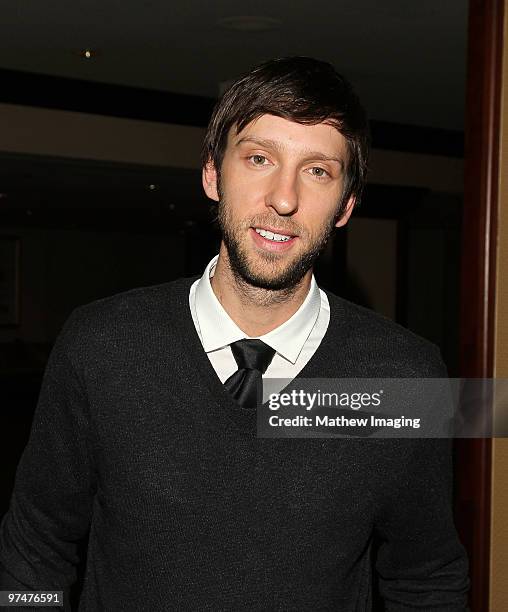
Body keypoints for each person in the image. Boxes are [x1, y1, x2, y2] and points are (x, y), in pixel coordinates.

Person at [0, 57, 469, 611]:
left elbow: (427, 578)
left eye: (317, 170)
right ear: (212, 175)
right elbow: (36, 546)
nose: (284, 197)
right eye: (259, 158)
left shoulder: (404, 376)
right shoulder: (102, 344)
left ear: (345, 206)